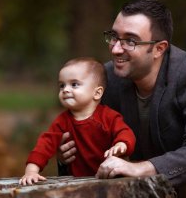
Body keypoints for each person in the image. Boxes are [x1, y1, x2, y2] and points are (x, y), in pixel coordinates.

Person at [58, 0, 186, 198]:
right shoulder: (106, 80)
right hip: (158, 180)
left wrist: (140, 168)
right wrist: (67, 154)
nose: (116, 49)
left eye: (130, 41)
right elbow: (93, 144)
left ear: (159, 48)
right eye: (114, 37)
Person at [19, 57, 136, 185]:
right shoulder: (62, 121)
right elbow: (44, 145)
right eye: (62, 85)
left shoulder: (108, 116)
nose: (65, 90)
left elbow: (125, 132)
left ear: (97, 93)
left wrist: (122, 144)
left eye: (74, 84)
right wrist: (31, 170)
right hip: (78, 182)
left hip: (111, 179)